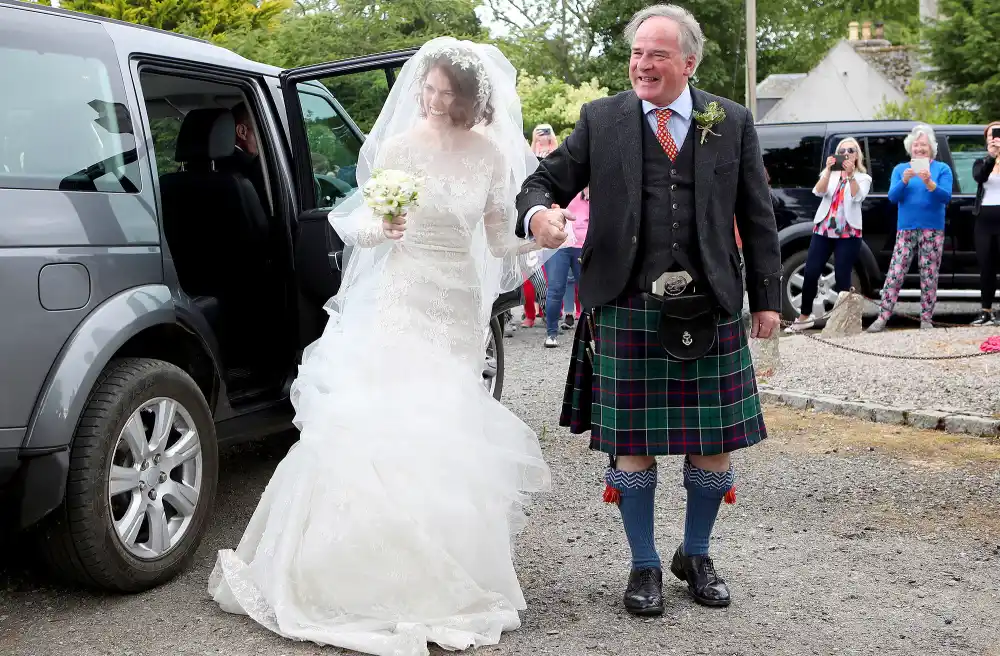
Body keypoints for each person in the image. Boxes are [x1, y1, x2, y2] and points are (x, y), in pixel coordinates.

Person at [208, 38, 552, 656]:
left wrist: (542, 240)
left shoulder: (492, 158)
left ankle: (439, 570)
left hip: (455, 310)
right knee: (379, 422)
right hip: (403, 298)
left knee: (444, 430)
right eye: (429, 87)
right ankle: (351, 572)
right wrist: (383, 224)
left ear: (472, 99)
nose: (433, 99)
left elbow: (499, 241)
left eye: (447, 92)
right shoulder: (398, 147)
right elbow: (363, 225)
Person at [515, 4, 781, 615]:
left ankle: (696, 551)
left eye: (657, 54)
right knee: (632, 444)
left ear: (689, 62)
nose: (643, 64)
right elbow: (540, 182)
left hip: (709, 302)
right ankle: (644, 564)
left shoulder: (730, 120)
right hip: (626, 300)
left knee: (712, 444)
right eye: (637, 53)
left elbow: (758, 214)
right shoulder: (602, 119)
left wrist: (767, 297)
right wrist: (540, 216)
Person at [867, 124, 953, 332]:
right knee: (895, 272)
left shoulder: (942, 169)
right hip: (906, 228)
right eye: (916, 145)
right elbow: (892, 197)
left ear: (931, 148)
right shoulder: (900, 169)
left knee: (929, 273)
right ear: (910, 148)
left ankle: (926, 319)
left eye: (923, 145)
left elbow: (946, 197)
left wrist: (930, 183)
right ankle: (883, 316)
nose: (919, 149)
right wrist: (904, 181)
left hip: (932, 228)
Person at [785, 137, 871, 332]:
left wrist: (849, 176)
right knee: (811, 271)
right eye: (842, 151)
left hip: (848, 232)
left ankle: (843, 321)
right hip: (824, 229)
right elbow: (818, 191)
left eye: (851, 150)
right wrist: (827, 171)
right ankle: (804, 317)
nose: (846, 153)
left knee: (842, 275)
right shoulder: (830, 174)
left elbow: (858, 196)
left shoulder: (863, 178)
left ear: (857, 155)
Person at [543, 186, 589, 347]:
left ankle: (591, 334)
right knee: (555, 288)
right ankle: (551, 333)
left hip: (583, 244)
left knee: (587, 290)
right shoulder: (559, 183)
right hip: (559, 244)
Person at [970, 120, 1000, 326]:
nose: (995, 138)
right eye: (992, 135)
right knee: (986, 267)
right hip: (984, 220)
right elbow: (979, 177)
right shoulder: (981, 161)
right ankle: (985, 311)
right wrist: (992, 157)